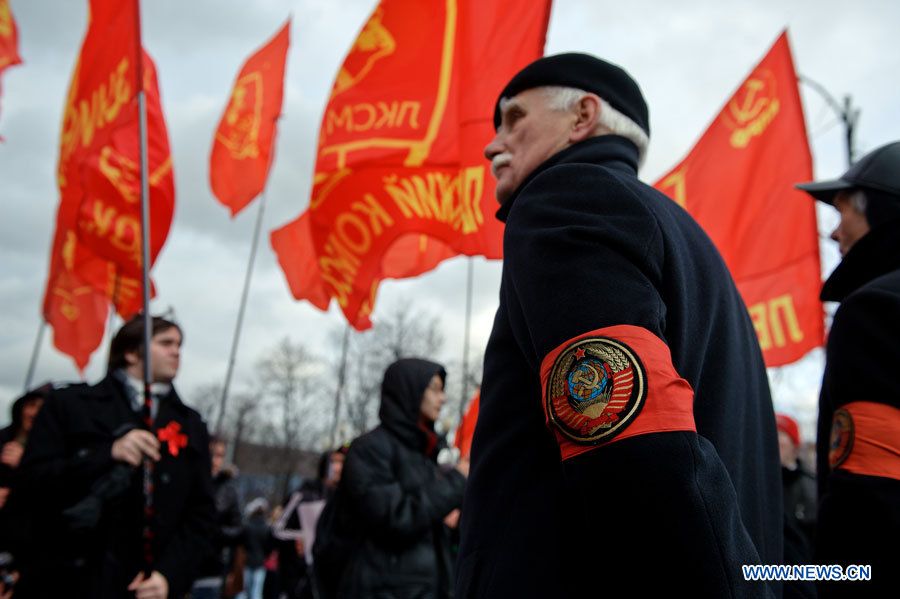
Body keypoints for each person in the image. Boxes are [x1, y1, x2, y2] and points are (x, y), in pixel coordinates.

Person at [456, 53, 782, 597]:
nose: (493, 146)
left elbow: (641, 457)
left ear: (583, 117)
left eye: (514, 119)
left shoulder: (565, 201)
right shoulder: (695, 245)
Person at [16, 313, 215, 599]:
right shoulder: (70, 405)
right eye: (166, 343)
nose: (176, 352)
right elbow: (32, 483)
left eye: (179, 345)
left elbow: (201, 514)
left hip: (141, 584)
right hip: (64, 579)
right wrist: (108, 454)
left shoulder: (191, 424)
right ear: (132, 353)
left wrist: (170, 576)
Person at [796, 141, 900, 597]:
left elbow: (869, 511)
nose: (833, 234)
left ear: (880, 211)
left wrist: (785, 577)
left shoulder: (876, 309)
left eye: (842, 214)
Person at [329, 358, 466, 599]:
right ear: (409, 391)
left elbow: (426, 518)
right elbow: (396, 518)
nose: (442, 399)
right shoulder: (369, 450)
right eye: (434, 389)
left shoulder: (424, 456)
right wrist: (456, 481)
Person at [193, 436, 243, 599]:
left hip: (210, 568)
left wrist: (215, 533)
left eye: (220, 455)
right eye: (212, 454)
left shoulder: (228, 489)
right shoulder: (190, 481)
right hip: (180, 565)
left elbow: (238, 529)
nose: (215, 461)